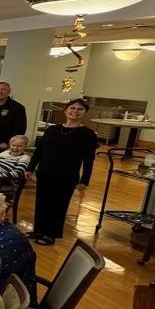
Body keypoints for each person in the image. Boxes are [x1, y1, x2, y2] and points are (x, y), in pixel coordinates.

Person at [27, 98, 98, 245]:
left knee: (59, 205)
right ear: (66, 110)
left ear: (84, 113)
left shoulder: (88, 134)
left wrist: (85, 179)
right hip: (45, 172)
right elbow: (39, 151)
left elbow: (89, 159)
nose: (75, 111)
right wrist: (30, 168)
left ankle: (51, 234)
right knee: (42, 202)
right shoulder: (51, 130)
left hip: (67, 175)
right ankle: (38, 230)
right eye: (72, 108)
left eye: (79, 109)